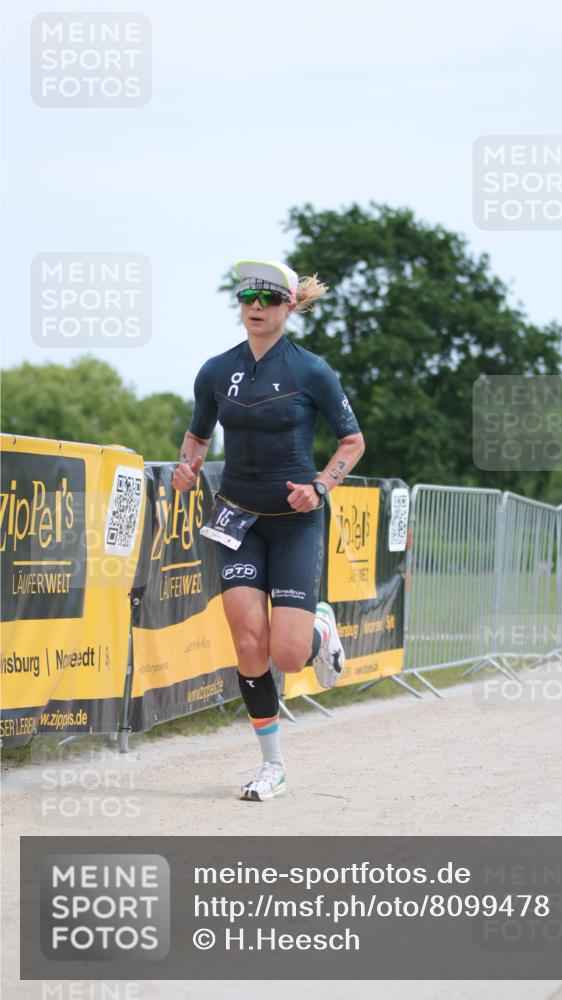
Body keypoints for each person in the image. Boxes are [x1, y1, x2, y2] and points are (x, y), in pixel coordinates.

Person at [172, 259, 365, 801]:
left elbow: (352, 442)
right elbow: (197, 437)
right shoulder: (215, 371)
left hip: (295, 523)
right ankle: (271, 765)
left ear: (288, 307)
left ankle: (320, 630)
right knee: (247, 641)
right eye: (247, 297)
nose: (255, 307)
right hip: (237, 518)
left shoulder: (312, 371)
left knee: (286, 655)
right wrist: (186, 467)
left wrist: (321, 486)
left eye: (267, 299)